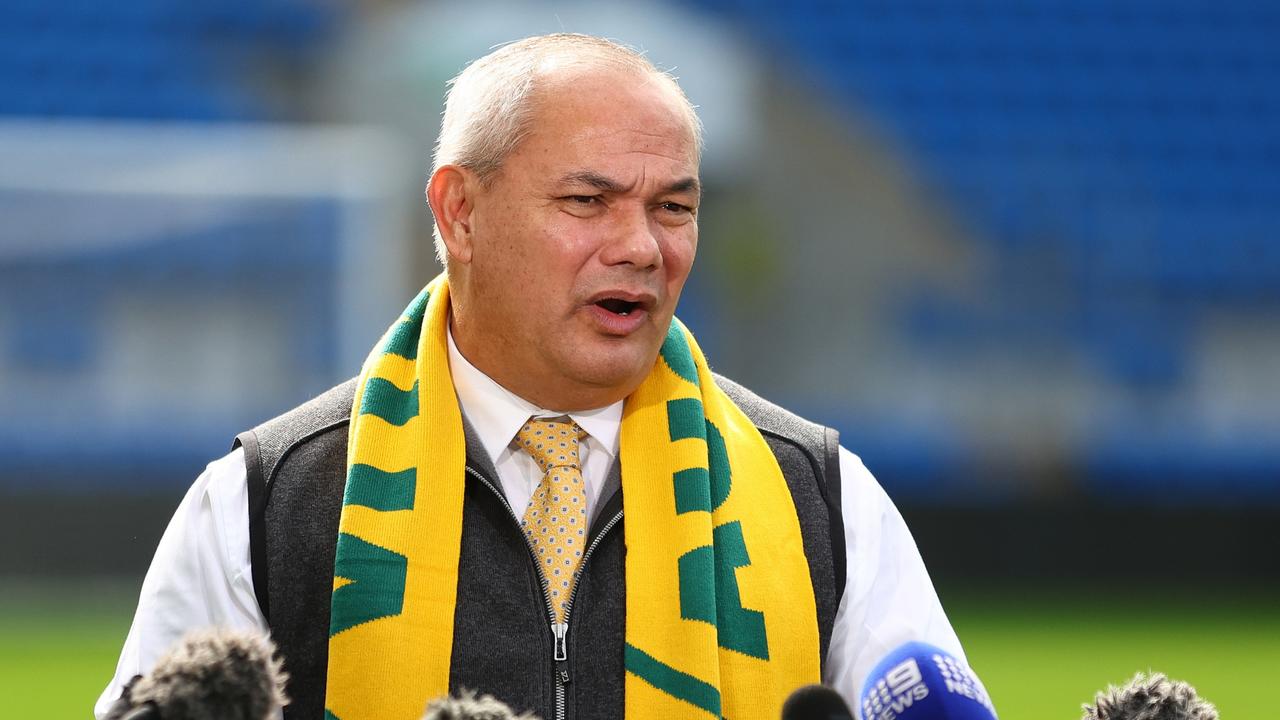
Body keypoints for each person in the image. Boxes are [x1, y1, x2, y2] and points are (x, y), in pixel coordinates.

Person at [97, 33, 965, 720]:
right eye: (588, 202)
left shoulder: (825, 500)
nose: (641, 246)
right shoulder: (261, 504)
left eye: (675, 207)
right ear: (459, 212)